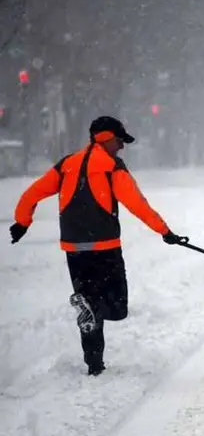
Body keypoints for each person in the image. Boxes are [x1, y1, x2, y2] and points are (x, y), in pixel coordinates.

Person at [8, 116, 188, 376]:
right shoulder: (111, 166)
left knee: (89, 306)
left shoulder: (67, 164)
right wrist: (165, 231)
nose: (122, 147)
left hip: (74, 249)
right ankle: (95, 312)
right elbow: (137, 204)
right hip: (105, 247)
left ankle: (94, 363)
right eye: (119, 141)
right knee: (116, 305)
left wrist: (22, 222)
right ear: (107, 138)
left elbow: (31, 193)